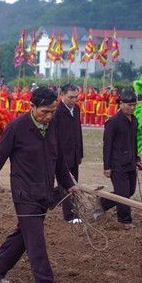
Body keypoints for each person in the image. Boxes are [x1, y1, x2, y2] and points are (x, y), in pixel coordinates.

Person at [0, 86, 79, 283]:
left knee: (25, 234)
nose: (49, 116)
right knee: (36, 239)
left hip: (45, 192)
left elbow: (60, 162)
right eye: (45, 111)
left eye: (53, 111)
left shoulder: (52, 127)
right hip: (24, 193)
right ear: (32, 106)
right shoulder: (17, 128)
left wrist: (69, 183)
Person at [96, 88, 142, 229]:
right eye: (129, 105)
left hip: (130, 162)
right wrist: (107, 167)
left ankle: (102, 203)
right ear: (121, 104)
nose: (132, 108)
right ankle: (124, 220)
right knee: (123, 194)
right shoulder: (113, 122)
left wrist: (137, 159)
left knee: (129, 191)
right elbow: (107, 145)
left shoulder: (134, 120)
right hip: (117, 164)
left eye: (134, 105)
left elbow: (133, 142)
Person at [54, 84, 84, 224]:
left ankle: (49, 201)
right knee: (67, 185)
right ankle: (70, 215)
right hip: (62, 155)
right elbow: (54, 136)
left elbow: (78, 132)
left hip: (74, 153)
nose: (74, 100)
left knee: (73, 182)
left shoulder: (77, 109)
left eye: (76, 97)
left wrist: (80, 152)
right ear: (62, 95)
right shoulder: (57, 111)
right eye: (70, 97)